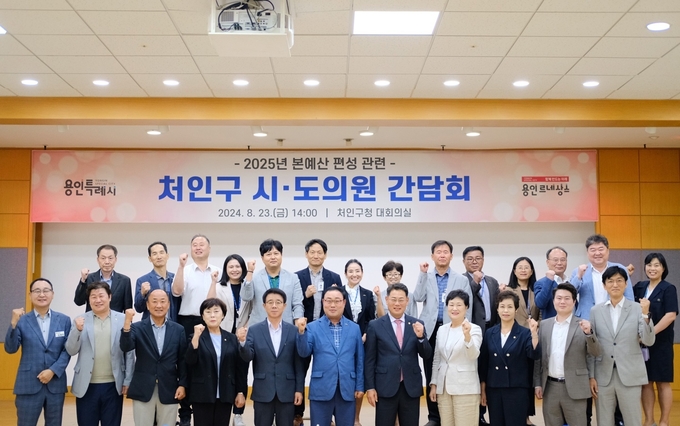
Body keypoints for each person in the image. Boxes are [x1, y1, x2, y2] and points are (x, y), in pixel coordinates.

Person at [413, 240, 472, 426]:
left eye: (445, 252)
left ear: (451, 256)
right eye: (438, 252)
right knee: (431, 370)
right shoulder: (427, 276)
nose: (442, 255)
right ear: (433, 256)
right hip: (430, 330)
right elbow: (418, 297)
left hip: (452, 328)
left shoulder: (461, 279)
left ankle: (450, 411)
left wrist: (464, 329)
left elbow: (468, 307)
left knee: (451, 368)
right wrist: (422, 274)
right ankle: (434, 417)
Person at [590, 266, 655, 426]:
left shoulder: (637, 308)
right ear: (604, 285)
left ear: (626, 284)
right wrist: (591, 376)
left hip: (630, 373)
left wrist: (646, 315)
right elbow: (592, 346)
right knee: (604, 421)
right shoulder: (595, 311)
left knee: (633, 420)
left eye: (619, 280)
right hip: (603, 375)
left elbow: (648, 340)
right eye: (610, 281)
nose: (615, 284)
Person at [66, 281, 135, 426]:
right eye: (93, 297)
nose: (97, 300)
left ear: (110, 297)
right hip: (86, 385)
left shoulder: (123, 319)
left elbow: (129, 352)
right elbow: (71, 350)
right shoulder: (80, 320)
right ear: (89, 299)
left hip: (113, 384)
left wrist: (128, 379)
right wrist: (77, 330)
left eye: (101, 296)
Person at [5, 278, 72, 426]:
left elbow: (67, 350)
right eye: (37, 291)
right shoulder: (22, 320)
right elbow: (10, 349)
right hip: (28, 384)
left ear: (52, 294)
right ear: (30, 295)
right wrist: (13, 324)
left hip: (55, 384)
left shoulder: (64, 320)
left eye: (46, 290)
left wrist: (53, 371)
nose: (42, 294)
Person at [533, 283, 601, 426]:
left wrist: (589, 334)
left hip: (575, 387)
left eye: (567, 298)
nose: (562, 302)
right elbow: (539, 357)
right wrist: (538, 384)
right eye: (559, 298)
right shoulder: (544, 325)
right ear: (553, 301)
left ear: (574, 301)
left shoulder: (584, 324)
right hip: (550, 387)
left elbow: (594, 352)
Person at [297, 286, 365, 426]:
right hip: (321, 388)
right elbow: (304, 352)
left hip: (347, 388)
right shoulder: (313, 327)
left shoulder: (354, 328)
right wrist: (301, 333)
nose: (332, 305)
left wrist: (359, 385)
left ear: (344, 303)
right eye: (328, 300)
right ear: (323, 302)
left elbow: (359, 359)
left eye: (337, 301)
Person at [364, 283, 430, 426]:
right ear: (387, 300)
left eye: (401, 300)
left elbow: (426, 354)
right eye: (393, 299)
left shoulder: (417, 323)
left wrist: (421, 338)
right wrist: (370, 387)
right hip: (385, 386)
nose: (397, 303)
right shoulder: (375, 325)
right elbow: (369, 359)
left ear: (407, 301)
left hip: (410, 386)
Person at [237, 288, 304, 426]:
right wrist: (242, 342)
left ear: (284, 306)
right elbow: (248, 357)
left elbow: (298, 363)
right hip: (263, 390)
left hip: (287, 390)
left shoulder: (293, 330)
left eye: (278, 302)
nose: (274, 306)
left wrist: (299, 389)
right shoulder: (254, 330)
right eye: (270, 302)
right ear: (264, 305)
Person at [295, 239, 344, 426]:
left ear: (325, 255)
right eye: (312, 252)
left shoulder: (334, 277)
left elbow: (340, 303)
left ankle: (328, 414)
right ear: (306, 254)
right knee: (299, 370)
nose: (316, 255)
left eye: (320, 252)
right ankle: (297, 414)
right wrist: (305, 295)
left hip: (327, 331)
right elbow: (292, 303)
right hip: (305, 329)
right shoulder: (297, 277)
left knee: (328, 371)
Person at [172, 234, 220, 426]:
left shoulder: (217, 271)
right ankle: (185, 412)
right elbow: (176, 291)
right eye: (194, 245)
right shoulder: (185, 269)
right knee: (186, 363)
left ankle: (206, 406)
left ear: (209, 248)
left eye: (202, 244)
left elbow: (214, 302)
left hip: (210, 321)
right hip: (186, 321)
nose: (198, 247)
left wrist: (214, 282)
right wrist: (181, 266)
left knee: (206, 363)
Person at [120, 289, 188, 426]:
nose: (159, 305)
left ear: (168, 304)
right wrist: (127, 323)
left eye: (163, 301)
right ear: (147, 305)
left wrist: (182, 384)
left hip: (169, 388)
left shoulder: (178, 329)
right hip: (143, 387)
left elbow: (182, 360)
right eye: (154, 301)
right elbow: (126, 346)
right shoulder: (137, 328)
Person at [479, 290, 540, 426]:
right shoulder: (490, 333)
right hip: (494, 388)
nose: (505, 310)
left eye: (510, 307)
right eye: (502, 306)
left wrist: (534, 333)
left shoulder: (524, 333)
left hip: (517, 389)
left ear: (516, 310)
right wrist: (483, 390)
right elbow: (484, 364)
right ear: (497, 309)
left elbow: (534, 354)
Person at [185, 298, 247, 426]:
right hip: (202, 394)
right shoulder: (195, 337)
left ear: (223, 315)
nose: (212, 315)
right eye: (208, 312)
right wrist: (196, 337)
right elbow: (190, 361)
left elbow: (238, 368)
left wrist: (240, 392)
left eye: (216, 311)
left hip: (225, 394)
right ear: (203, 316)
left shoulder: (231, 338)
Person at [633, 253, 677, 426]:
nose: (652, 268)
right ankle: (649, 420)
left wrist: (650, 334)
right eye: (649, 264)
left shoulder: (668, 288)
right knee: (646, 382)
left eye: (657, 265)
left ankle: (664, 421)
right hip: (642, 345)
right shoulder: (639, 287)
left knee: (663, 382)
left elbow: (670, 315)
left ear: (663, 268)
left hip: (661, 344)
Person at [209, 254, 253, 426]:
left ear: (243, 268)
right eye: (231, 267)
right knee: (226, 372)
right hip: (224, 334)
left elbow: (253, 309)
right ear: (225, 269)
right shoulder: (220, 286)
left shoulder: (248, 286)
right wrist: (213, 282)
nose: (235, 270)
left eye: (238, 266)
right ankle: (223, 408)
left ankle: (238, 414)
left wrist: (245, 329)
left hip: (243, 334)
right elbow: (209, 303)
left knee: (242, 371)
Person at [429, 289, 482, 426]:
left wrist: (467, 336)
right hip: (444, 389)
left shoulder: (474, 329)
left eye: (459, 305)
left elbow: (473, 355)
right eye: (451, 304)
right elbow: (437, 359)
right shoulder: (442, 330)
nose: (454, 308)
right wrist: (434, 384)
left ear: (466, 307)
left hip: (465, 389)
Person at [343, 259, 379, 426]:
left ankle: (356, 418)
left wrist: (365, 335)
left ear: (362, 273)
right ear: (345, 274)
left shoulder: (367, 294)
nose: (354, 274)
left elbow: (371, 319)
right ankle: (342, 417)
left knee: (359, 378)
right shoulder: (338, 292)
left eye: (357, 271)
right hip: (342, 341)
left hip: (363, 342)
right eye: (351, 271)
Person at [570, 234, 634, 320]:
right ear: (587, 253)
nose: (597, 253)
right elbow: (570, 294)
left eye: (601, 249)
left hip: (614, 318)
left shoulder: (620, 269)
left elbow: (629, 296)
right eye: (593, 250)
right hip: (586, 319)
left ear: (608, 251)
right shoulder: (578, 271)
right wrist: (579, 277)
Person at [242, 238, 304, 325]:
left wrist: (298, 321)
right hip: (259, 325)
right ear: (262, 258)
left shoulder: (293, 278)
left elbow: (297, 304)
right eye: (268, 254)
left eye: (276, 253)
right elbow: (246, 297)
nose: (273, 257)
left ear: (281, 255)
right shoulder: (254, 277)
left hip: (285, 325)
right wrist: (249, 272)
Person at [75, 244, 132, 313]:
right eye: (103, 258)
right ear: (98, 260)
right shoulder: (89, 278)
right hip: (93, 318)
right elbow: (79, 302)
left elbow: (128, 308)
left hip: (116, 319)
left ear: (115, 260)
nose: (107, 262)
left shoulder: (124, 280)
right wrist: (83, 280)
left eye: (110, 258)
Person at [134, 241, 180, 322]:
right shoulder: (142, 280)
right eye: (154, 254)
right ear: (150, 258)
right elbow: (138, 308)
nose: (159, 257)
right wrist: (142, 294)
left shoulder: (175, 278)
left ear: (167, 256)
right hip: (150, 326)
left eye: (161, 252)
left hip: (173, 324)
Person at [533, 246, 569, 319]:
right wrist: (549, 280)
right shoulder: (541, 283)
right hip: (552, 323)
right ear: (548, 262)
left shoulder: (569, 282)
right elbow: (540, 304)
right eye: (555, 260)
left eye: (563, 260)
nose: (559, 263)